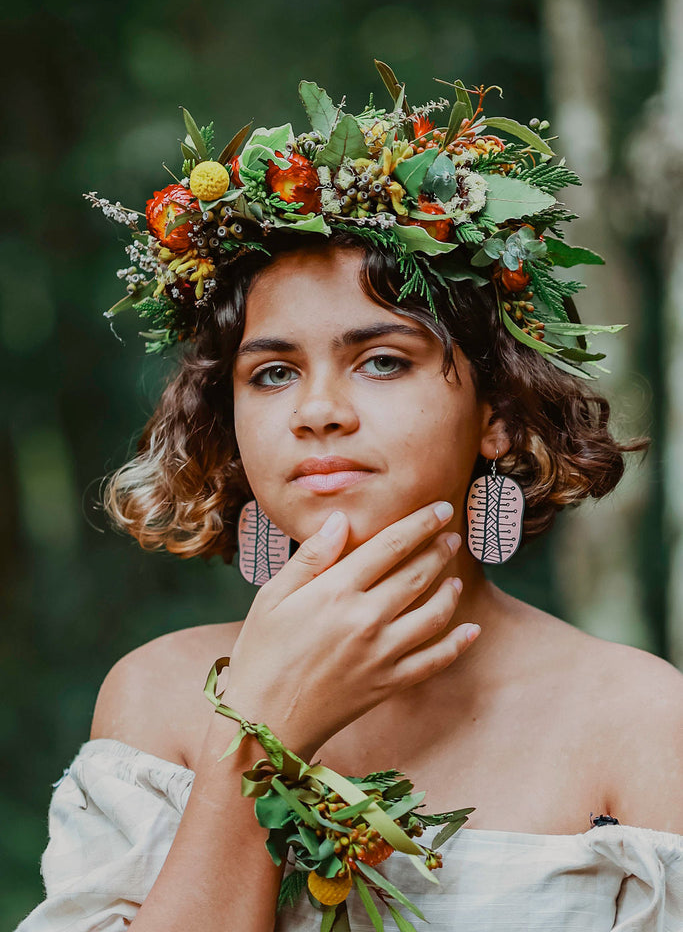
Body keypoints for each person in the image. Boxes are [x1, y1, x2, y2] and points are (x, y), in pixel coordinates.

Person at [17, 69, 683, 932]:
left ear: (495, 413)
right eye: (273, 373)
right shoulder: (156, 699)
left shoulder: (637, 717)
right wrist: (259, 740)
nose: (317, 410)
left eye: (382, 361)